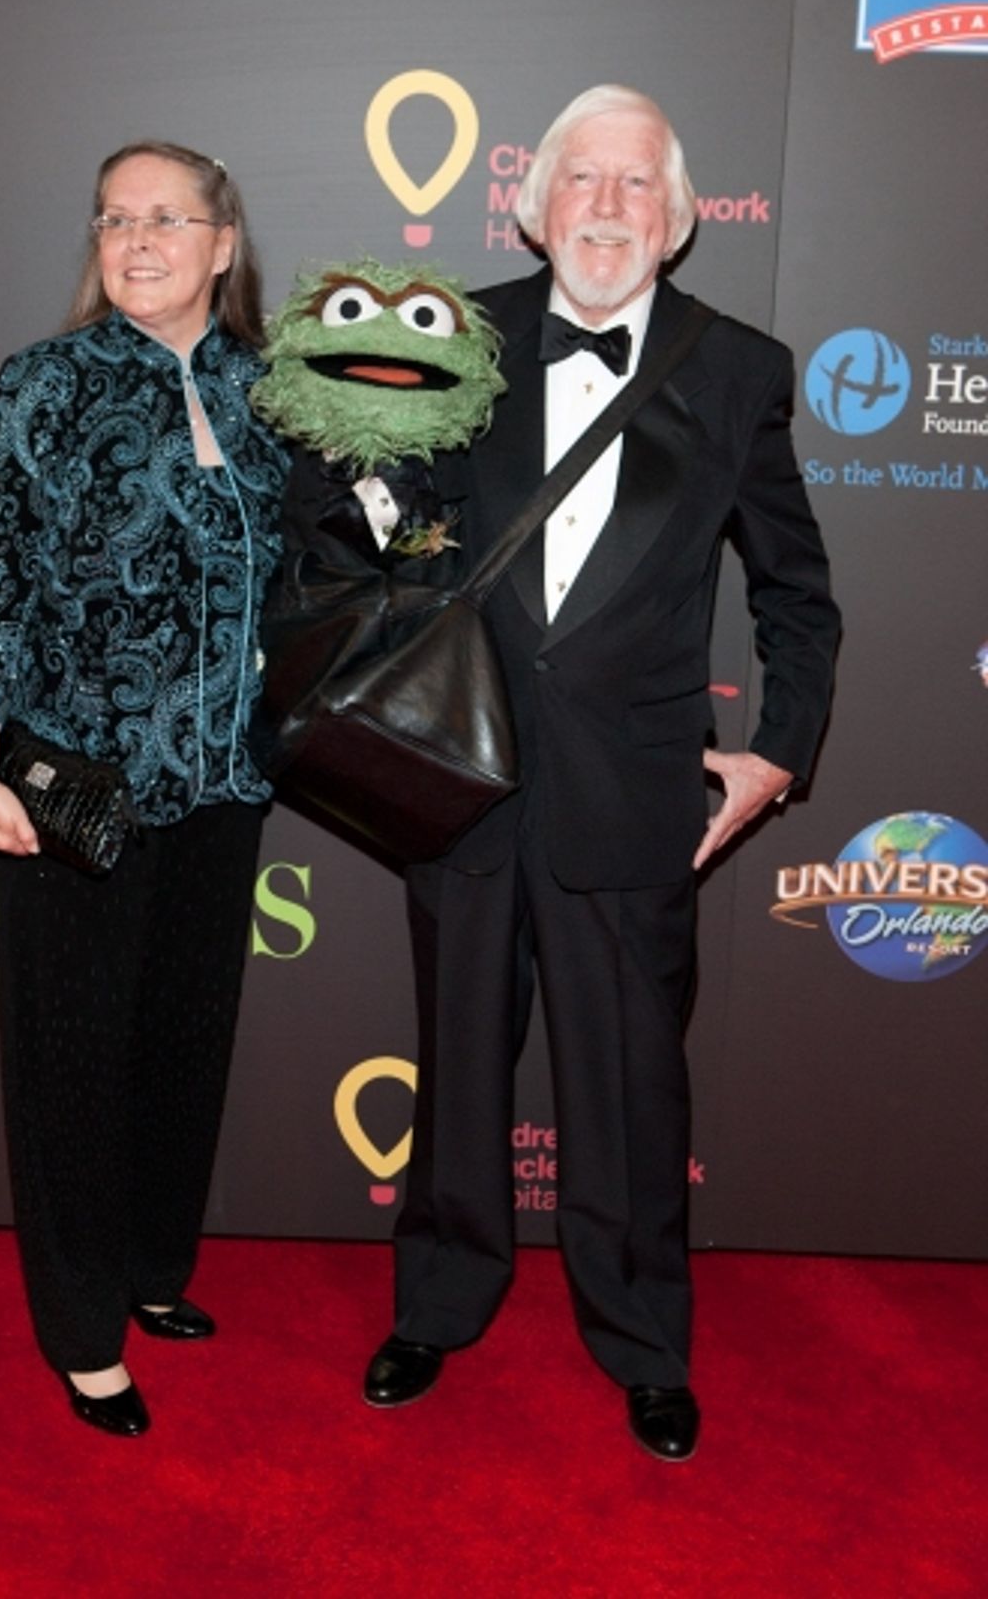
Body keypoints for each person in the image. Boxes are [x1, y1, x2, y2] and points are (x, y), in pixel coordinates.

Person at [362, 86, 841, 1461]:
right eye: (586, 180)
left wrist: (779, 754)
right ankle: (438, 1303)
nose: (610, 208)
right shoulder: (455, 340)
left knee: (632, 1088)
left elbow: (798, 595)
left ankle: (642, 1338)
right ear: (536, 202)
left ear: (680, 220)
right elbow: (378, 535)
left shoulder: (739, 369)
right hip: (463, 777)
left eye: (639, 185)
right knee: (456, 1067)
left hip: (633, 795)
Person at [0, 141, 287, 1437]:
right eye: (114, 219)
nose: (135, 239)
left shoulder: (274, 390)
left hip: (226, 782)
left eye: (165, 217)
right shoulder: (44, 384)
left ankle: (150, 1267)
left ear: (222, 243)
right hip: (75, 781)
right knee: (73, 1058)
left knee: (183, 1042)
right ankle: (83, 1330)